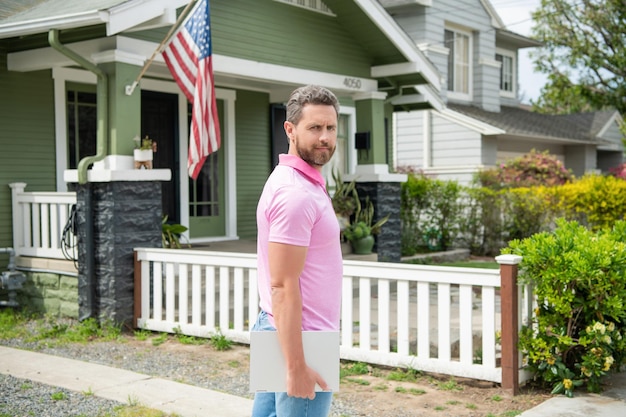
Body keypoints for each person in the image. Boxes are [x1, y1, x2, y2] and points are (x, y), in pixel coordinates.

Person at [251, 85, 343, 417]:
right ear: (290, 129)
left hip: (280, 327)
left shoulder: (300, 182)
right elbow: (282, 284)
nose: (325, 137)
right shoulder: (296, 194)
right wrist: (296, 366)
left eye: (331, 128)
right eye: (315, 128)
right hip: (303, 339)